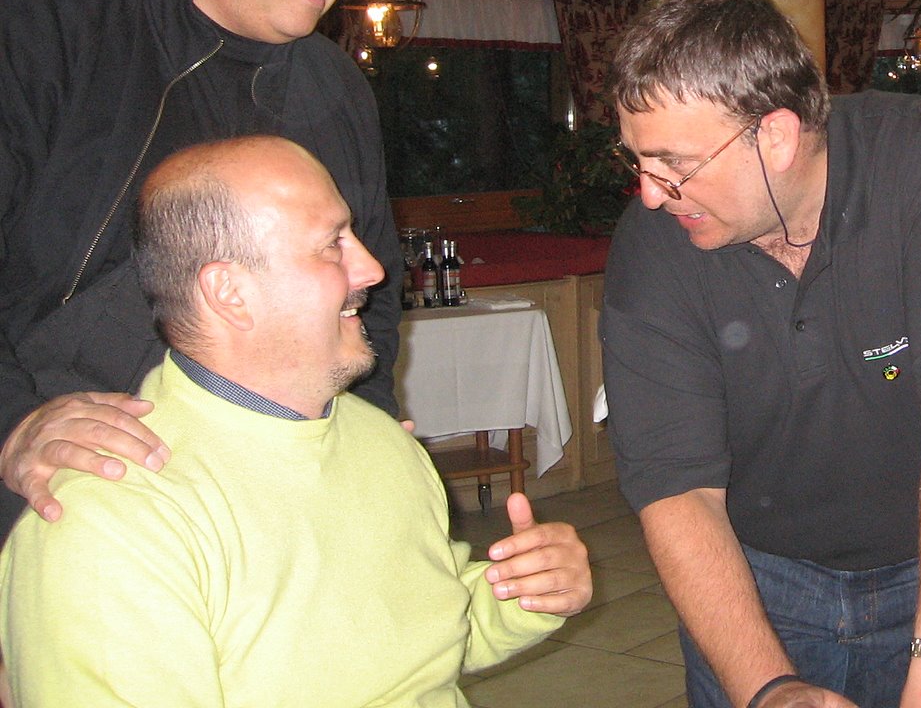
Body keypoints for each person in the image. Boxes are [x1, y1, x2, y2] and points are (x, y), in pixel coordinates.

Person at [0, 136, 591, 706]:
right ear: (230, 293)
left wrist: (522, 594)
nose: (373, 270)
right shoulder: (113, 519)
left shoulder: (380, 441)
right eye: (332, 245)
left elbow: (428, 640)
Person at [600, 0, 921, 708]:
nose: (650, 193)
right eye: (638, 161)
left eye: (674, 164)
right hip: (751, 580)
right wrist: (769, 690)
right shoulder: (654, 246)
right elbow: (676, 490)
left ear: (775, 136)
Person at [0, 0, 403, 532]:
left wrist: (370, 444)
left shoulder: (337, 88)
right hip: (68, 494)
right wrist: (14, 424)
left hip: (270, 503)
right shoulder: (48, 33)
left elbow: (370, 296)